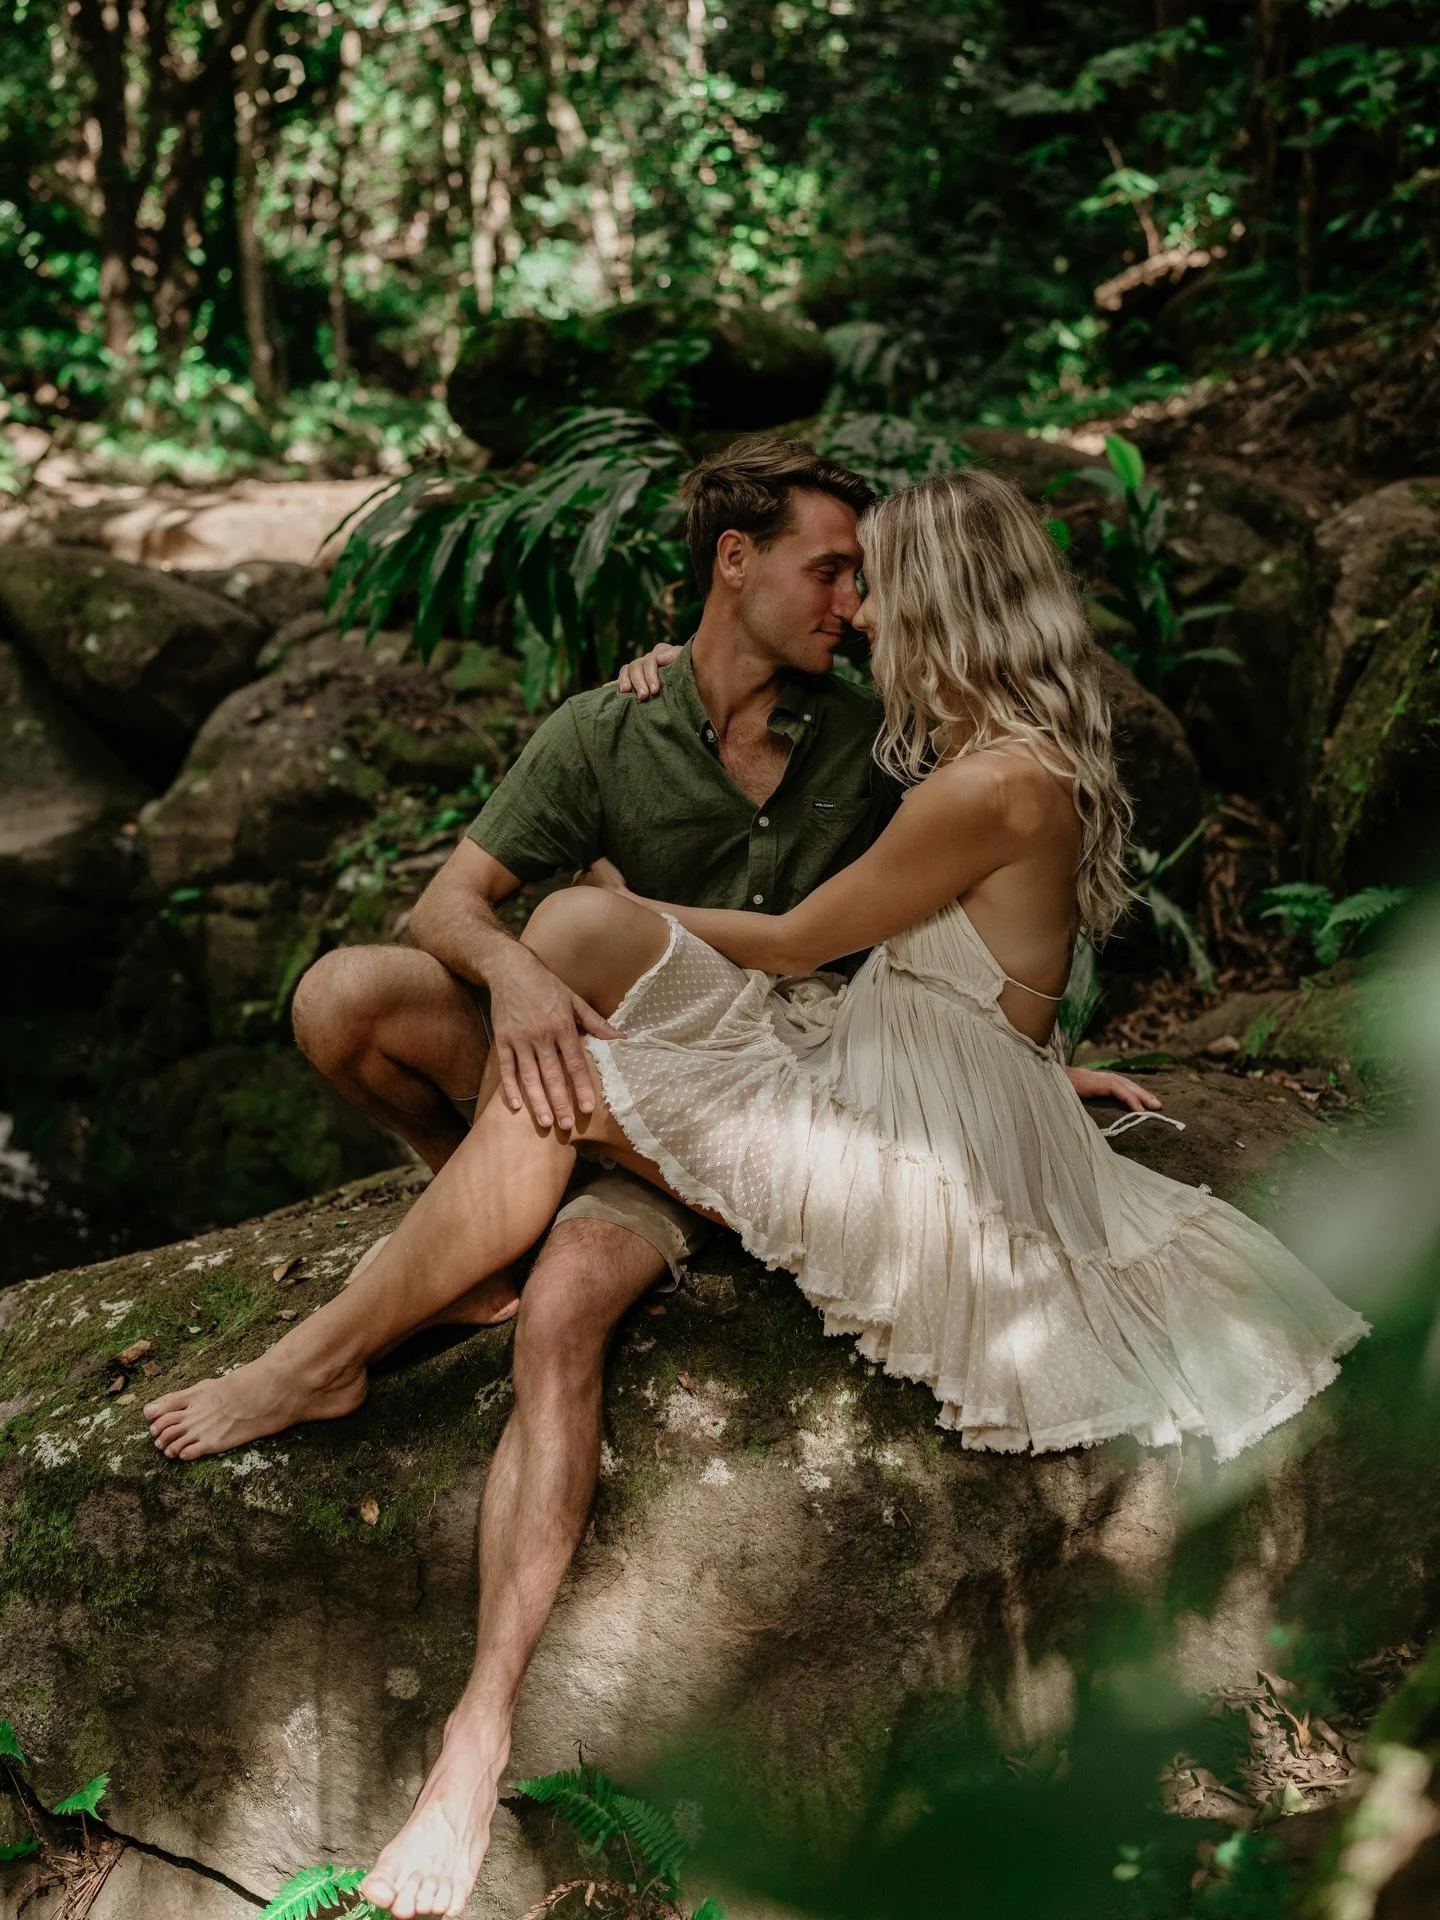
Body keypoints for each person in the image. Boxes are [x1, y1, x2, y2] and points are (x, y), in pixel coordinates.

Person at [141, 448, 1212, 1920]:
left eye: (872, 583)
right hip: (699, 1068)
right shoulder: (616, 722)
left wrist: (1023, 1074)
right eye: (830, 572)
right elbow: (451, 906)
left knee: (562, 1253)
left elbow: (959, 906)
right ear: (732, 562)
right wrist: (522, 974)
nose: (853, 607)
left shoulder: (891, 735)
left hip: (796, 1084)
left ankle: (442, 1669)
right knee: (412, 1021)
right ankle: (464, 1262)